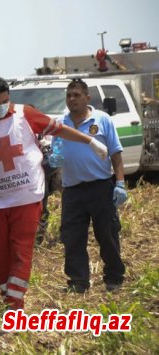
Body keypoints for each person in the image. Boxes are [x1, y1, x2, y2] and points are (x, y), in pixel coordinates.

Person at [0, 76, 107, 310]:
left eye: (5, 100)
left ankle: (15, 303)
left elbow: (61, 131)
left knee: (21, 248)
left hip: (28, 195)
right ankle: (7, 294)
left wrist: (90, 142)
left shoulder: (26, 114)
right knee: (0, 253)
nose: (2, 105)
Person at [56, 79, 127, 293]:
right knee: (73, 238)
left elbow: (115, 153)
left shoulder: (102, 120)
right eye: (69, 95)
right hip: (73, 191)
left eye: (76, 95)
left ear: (87, 98)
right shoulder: (61, 124)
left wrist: (120, 183)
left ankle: (114, 277)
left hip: (100, 188)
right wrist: (54, 158)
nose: (72, 99)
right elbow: (57, 152)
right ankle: (78, 282)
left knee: (107, 234)